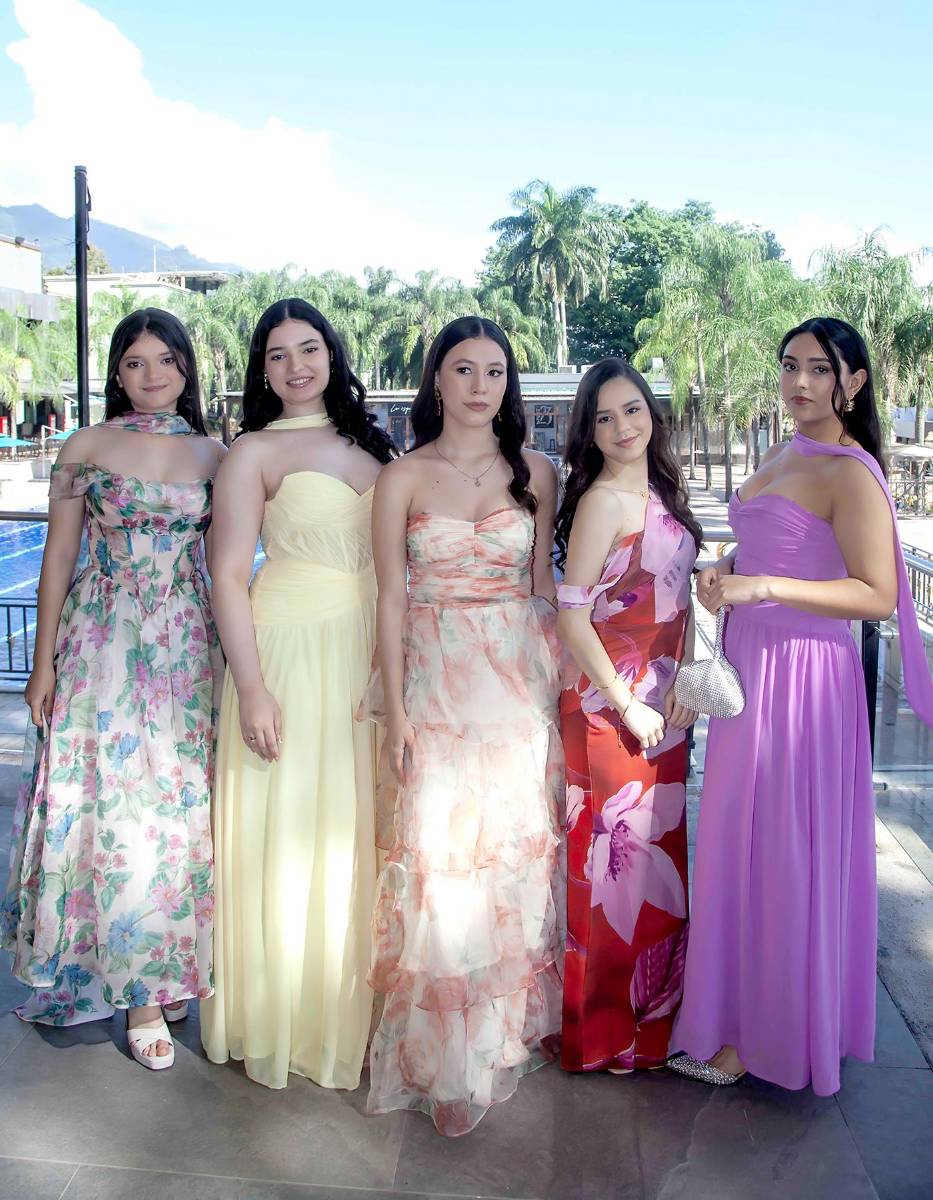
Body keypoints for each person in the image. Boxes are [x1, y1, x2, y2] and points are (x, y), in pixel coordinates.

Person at [672, 316, 933, 1095]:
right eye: (789, 366)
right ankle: (735, 1017)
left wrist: (763, 586)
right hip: (753, 665)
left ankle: (768, 1036)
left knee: (783, 847)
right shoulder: (786, 448)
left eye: (819, 369)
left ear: (852, 381)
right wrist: (728, 568)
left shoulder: (850, 471)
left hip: (805, 678)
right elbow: (772, 542)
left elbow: (878, 593)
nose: (798, 383)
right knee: (736, 841)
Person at [2, 308, 224, 1069]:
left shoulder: (215, 455)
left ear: (187, 367)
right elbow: (57, 558)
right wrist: (41, 664)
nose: (153, 374)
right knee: (113, 806)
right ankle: (136, 991)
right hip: (102, 643)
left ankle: (170, 969)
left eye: (166, 359)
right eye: (135, 362)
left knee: (177, 810)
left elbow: (230, 566)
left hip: (188, 647)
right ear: (116, 373)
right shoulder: (86, 447)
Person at [362, 315, 563, 1136]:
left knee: (507, 872)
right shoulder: (401, 478)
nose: (481, 385)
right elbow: (390, 597)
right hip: (435, 690)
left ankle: (491, 1042)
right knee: (443, 871)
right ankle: (441, 1062)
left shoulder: (536, 473)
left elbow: (546, 587)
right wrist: (398, 714)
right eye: (463, 369)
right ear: (435, 381)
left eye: (494, 371)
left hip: (514, 696)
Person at [200, 298, 395, 1090]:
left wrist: (392, 657)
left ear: (331, 353)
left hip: (363, 650)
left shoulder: (368, 443)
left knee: (351, 827)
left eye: (307, 348)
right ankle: (281, 1014)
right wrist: (251, 688)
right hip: (287, 650)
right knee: (288, 824)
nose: (295, 366)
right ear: (262, 370)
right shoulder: (250, 453)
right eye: (276, 355)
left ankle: (347, 1011)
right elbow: (224, 573)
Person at [554, 359, 701, 1075]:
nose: (621, 427)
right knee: (613, 875)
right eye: (604, 417)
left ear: (651, 413)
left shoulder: (662, 490)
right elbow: (571, 614)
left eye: (632, 410)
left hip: (666, 701)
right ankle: (601, 1036)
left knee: (656, 867)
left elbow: (681, 603)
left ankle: (648, 1032)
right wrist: (624, 701)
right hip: (614, 706)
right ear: (588, 430)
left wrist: (689, 686)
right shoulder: (602, 501)